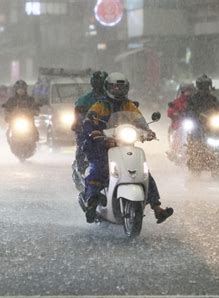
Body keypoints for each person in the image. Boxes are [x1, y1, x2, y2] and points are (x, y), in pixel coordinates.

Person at [80, 73, 174, 224]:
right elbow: (88, 121)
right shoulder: (100, 105)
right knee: (98, 169)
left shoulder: (128, 105)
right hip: (102, 145)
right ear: (107, 88)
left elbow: (139, 120)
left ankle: (157, 208)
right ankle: (91, 201)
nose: (118, 90)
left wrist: (147, 130)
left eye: (121, 87)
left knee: (144, 173)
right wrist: (94, 131)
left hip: (123, 145)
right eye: (114, 87)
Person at [72, 71, 108, 174]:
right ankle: (83, 169)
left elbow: (125, 114)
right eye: (98, 82)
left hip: (110, 131)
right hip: (91, 131)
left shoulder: (114, 100)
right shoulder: (85, 100)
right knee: (85, 145)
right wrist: (81, 125)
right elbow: (79, 117)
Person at [167, 83, 195, 157]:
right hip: (179, 123)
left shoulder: (196, 101)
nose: (188, 93)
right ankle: (174, 150)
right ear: (182, 92)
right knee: (178, 134)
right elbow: (170, 110)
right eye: (186, 91)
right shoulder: (177, 101)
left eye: (190, 91)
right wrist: (174, 113)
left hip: (195, 123)